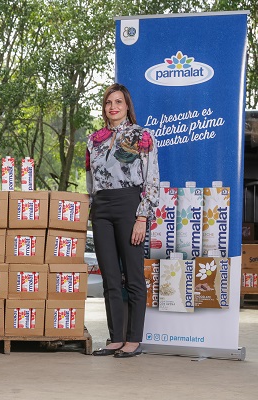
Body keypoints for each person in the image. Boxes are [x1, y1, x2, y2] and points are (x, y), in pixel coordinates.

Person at [85, 83, 160, 358]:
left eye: (118, 102)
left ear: (127, 106)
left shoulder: (143, 136)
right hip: (101, 208)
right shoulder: (94, 140)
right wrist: (92, 209)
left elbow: (152, 179)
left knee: (134, 276)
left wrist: (142, 216)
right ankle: (116, 337)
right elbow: (90, 180)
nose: (113, 107)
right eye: (108, 103)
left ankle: (134, 339)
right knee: (110, 278)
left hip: (130, 206)